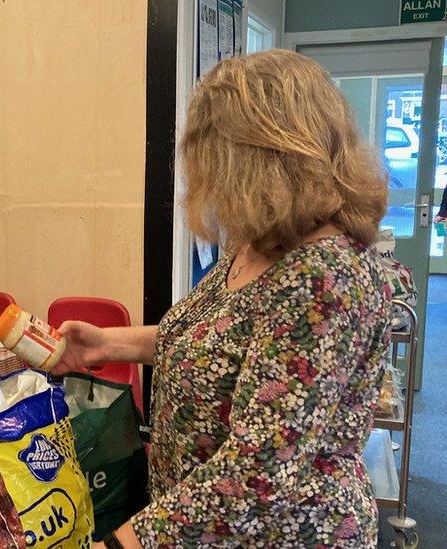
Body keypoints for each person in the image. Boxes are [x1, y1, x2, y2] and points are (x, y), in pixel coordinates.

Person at [57, 50, 392, 548]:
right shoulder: (255, 241)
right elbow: (215, 344)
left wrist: (119, 544)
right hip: (194, 528)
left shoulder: (325, 279)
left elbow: (257, 475)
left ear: (262, 159)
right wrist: (106, 344)